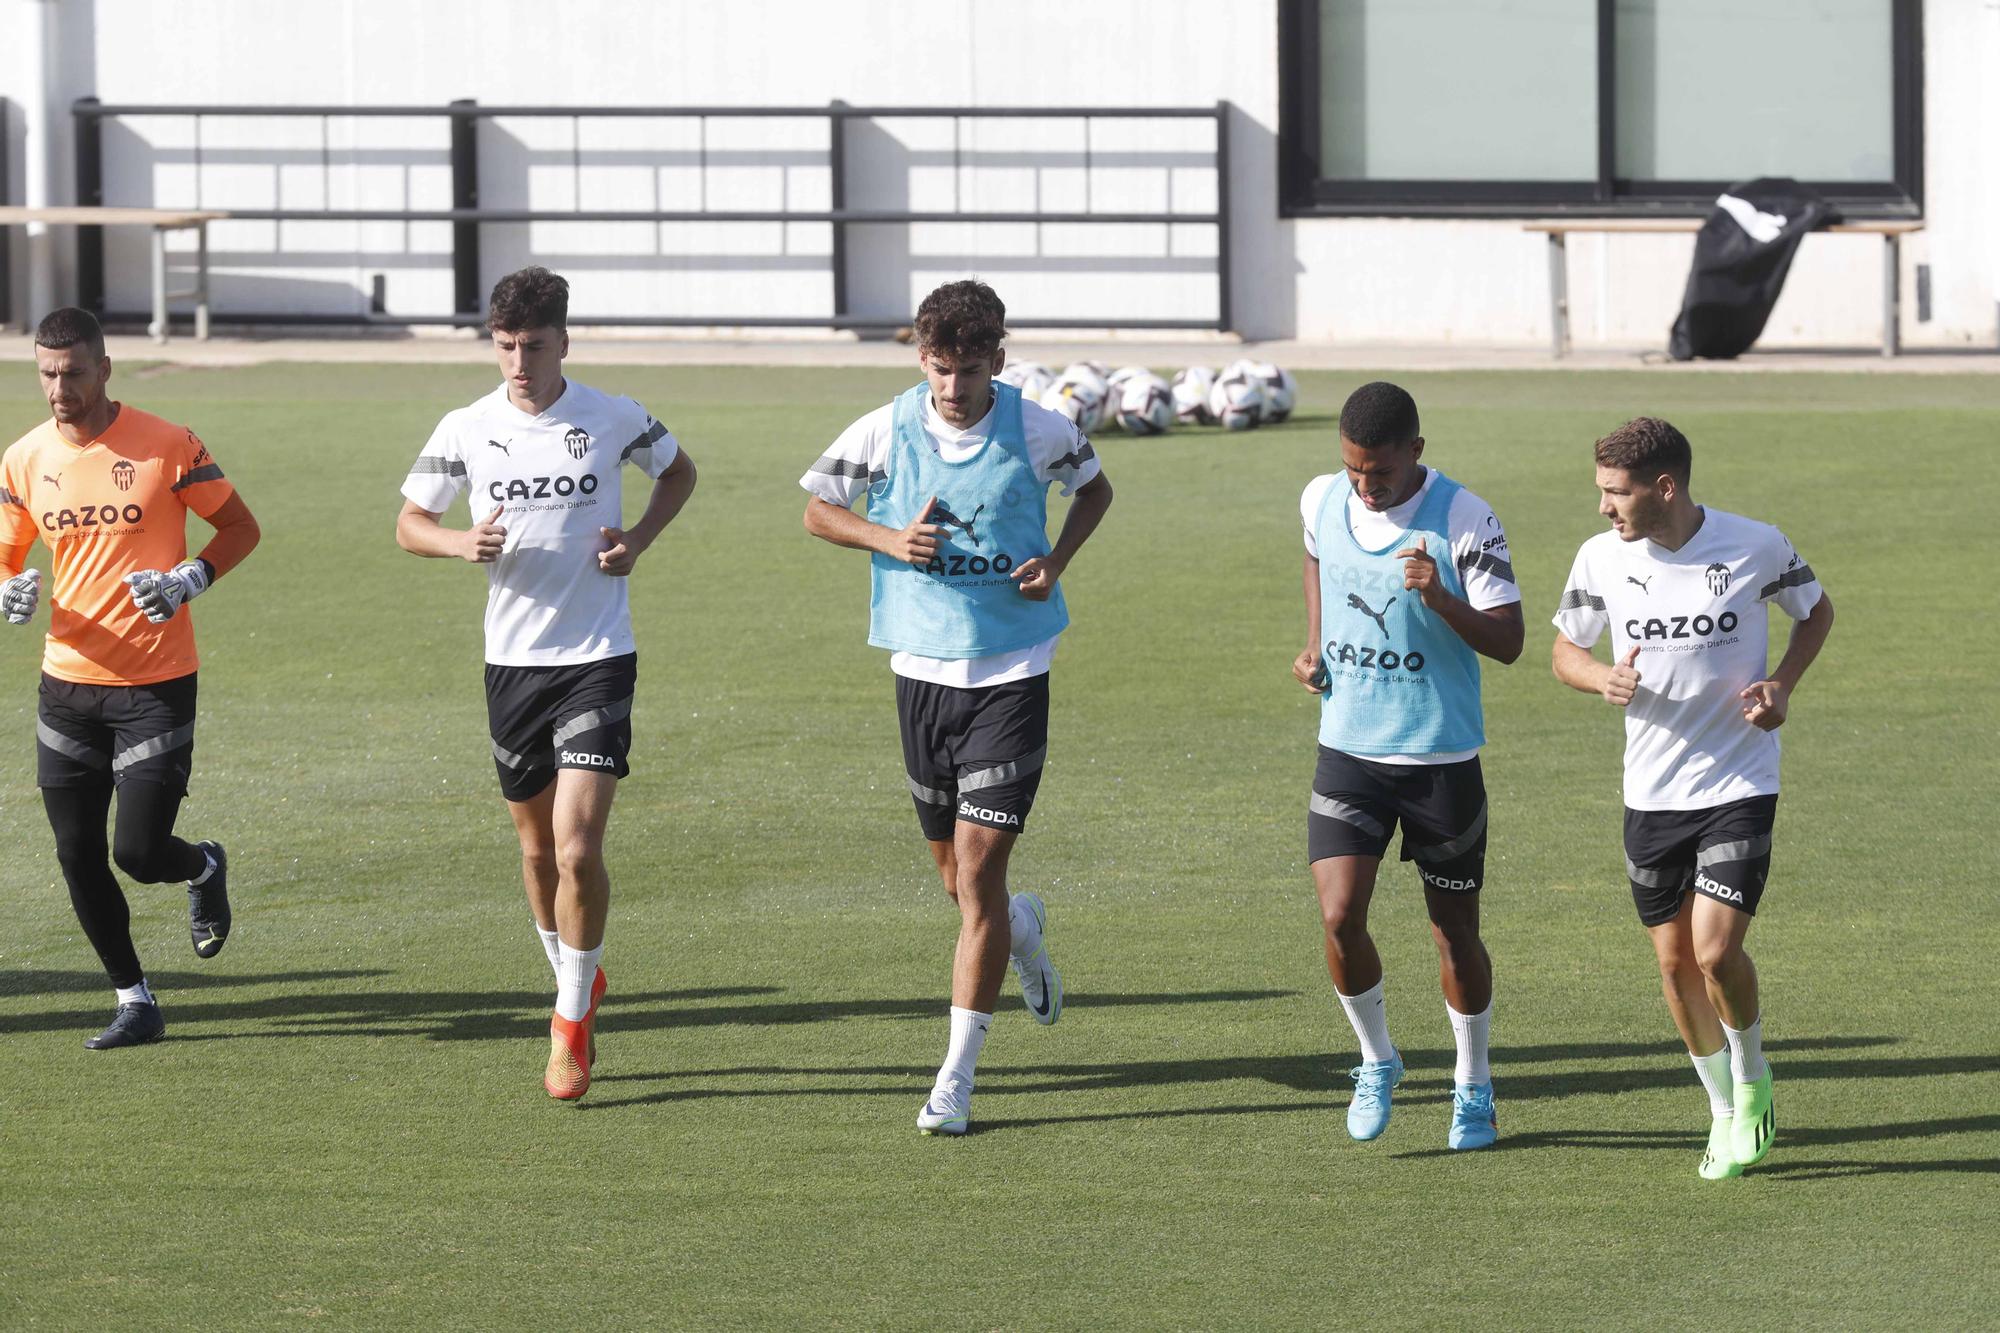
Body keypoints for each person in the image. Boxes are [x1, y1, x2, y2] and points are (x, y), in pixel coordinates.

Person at [800, 279, 1113, 1135]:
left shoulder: (1040, 427)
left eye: (969, 370)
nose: (953, 387)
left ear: (997, 362)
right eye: (940, 368)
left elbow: (1094, 490)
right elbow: (818, 511)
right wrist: (888, 537)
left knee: (976, 872)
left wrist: (1057, 560)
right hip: (921, 672)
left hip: (1013, 670)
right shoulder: (885, 428)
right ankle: (1023, 930)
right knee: (960, 881)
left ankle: (956, 1078)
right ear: (922, 360)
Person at [396, 266, 696, 1101]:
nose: (518, 363)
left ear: (565, 340)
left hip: (597, 656)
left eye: (533, 346)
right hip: (512, 664)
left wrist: (638, 539)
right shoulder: (466, 426)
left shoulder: (613, 414)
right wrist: (459, 543)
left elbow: (679, 472)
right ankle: (576, 974)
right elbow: (410, 522)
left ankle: (568, 1022)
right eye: (504, 347)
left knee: (576, 847)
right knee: (535, 852)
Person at [1552, 417, 1832, 1178]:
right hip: (1651, 790)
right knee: (1676, 964)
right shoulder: (1600, 557)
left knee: (1714, 949)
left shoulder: (1756, 544)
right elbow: (1565, 649)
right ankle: (1721, 1109)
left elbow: (1816, 610)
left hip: (1740, 780)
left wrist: (1782, 684)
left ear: (1665, 487)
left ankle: (1752, 1073)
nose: (1604, 507)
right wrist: (1599, 677)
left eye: (1616, 492)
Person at [0, 307, 261, 1049]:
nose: (59, 388)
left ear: (105, 369)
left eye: (73, 372)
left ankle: (202, 865)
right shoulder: (23, 458)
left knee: (139, 854)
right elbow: (6, 553)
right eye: (47, 374)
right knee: (74, 850)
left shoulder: (167, 444)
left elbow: (240, 527)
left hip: (155, 684)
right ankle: (134, 999)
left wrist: (189, 579)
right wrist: (8, 588)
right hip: (67, 685)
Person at [1290, 381, 1523, 1149]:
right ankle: (1377, 1059)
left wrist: (1442, 599)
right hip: (1348, 749)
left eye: (1381, 471)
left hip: (1440, 761)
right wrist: (1315, 643)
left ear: (1416, 451)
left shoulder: (1464, 517)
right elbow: (1317, 555)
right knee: (1338, 916)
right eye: (1354, 468)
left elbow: (1510, 640)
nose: (1365, 485)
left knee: (1454, 935)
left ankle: (1473, 1084)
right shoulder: (1322, 498)